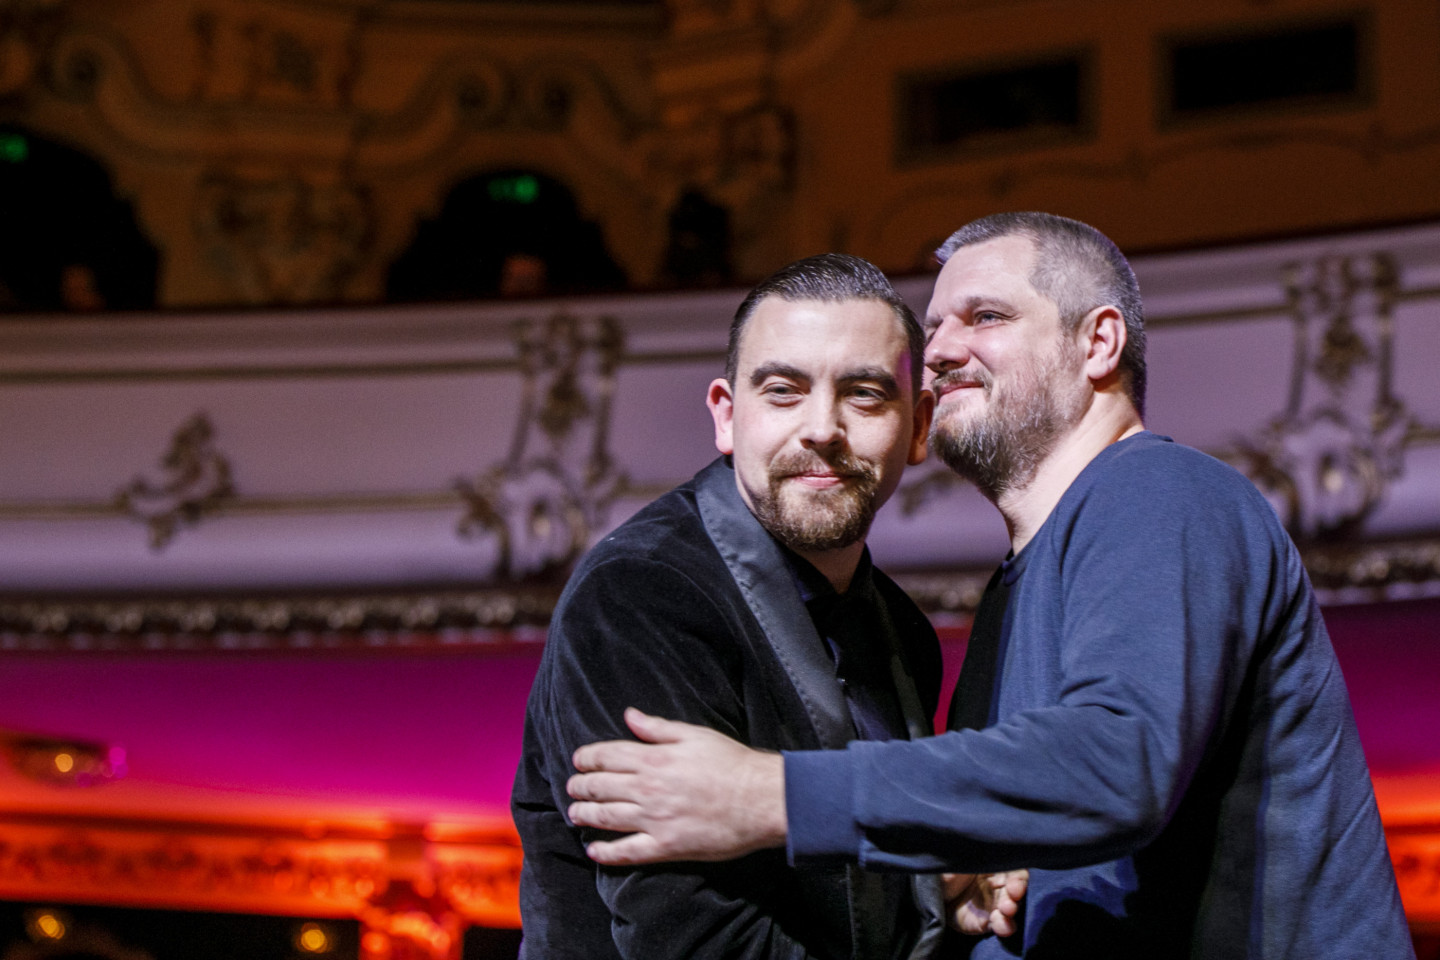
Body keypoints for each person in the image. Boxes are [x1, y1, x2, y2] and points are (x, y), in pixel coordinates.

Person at [565, 213, 1415, 959]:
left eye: (987, 316)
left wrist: (768, 794)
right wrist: (944, 887)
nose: (938, 350)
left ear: (1099, 343)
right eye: (935, 326)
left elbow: (1117, 762)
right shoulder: (1007, 589)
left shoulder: (1158, 491)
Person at [512, 253, 1021, 959]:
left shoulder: (903, 629)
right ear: (726, 416)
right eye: (784, 391)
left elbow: (847, 898)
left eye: (864, 395)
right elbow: (692, 940)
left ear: (919, 426)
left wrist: (932, 896)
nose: (822, 428)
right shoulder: (637, 594)